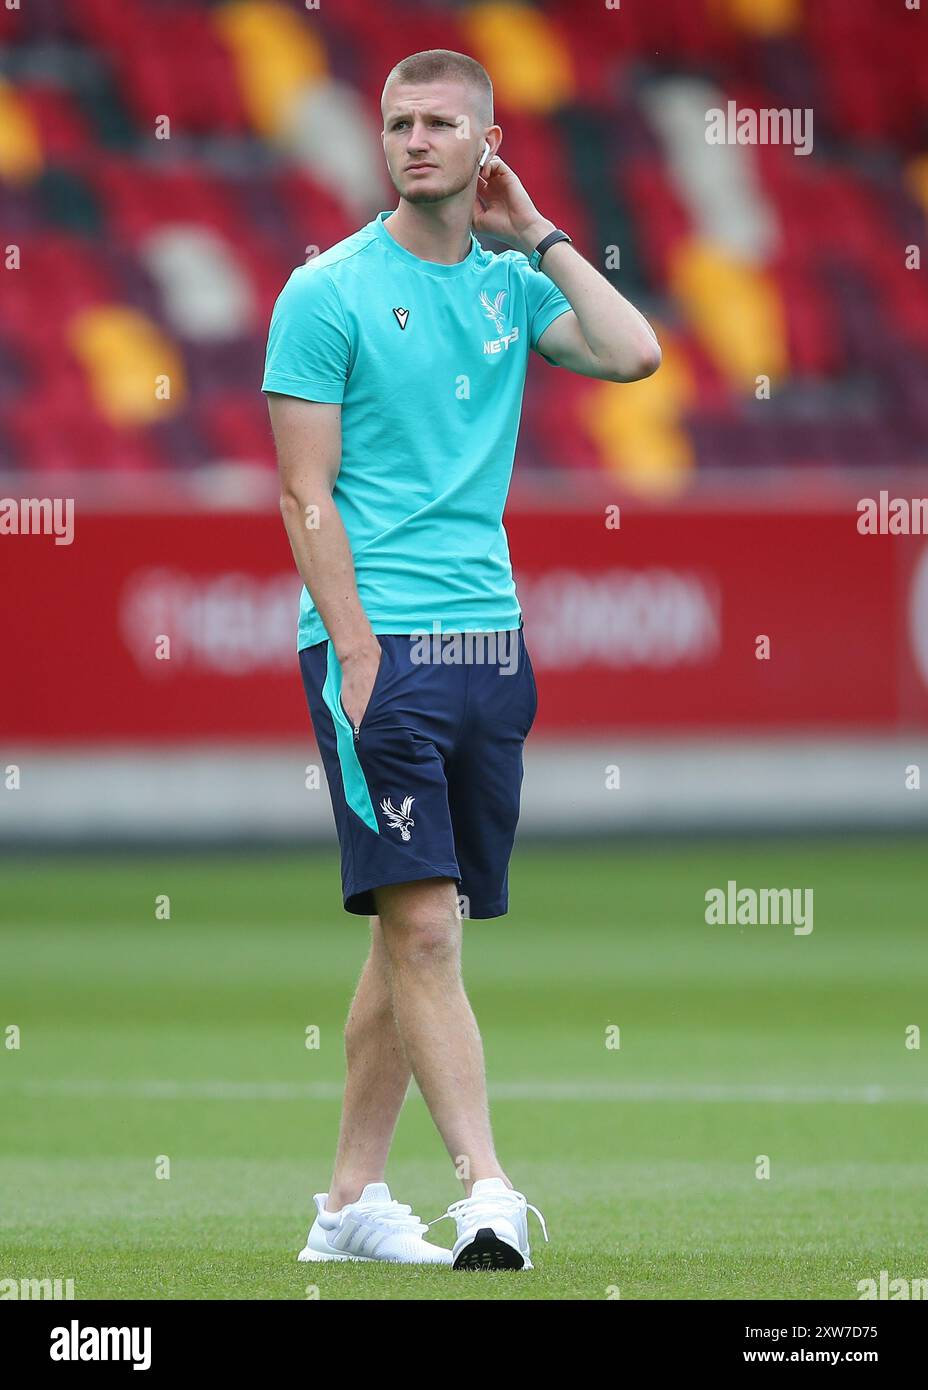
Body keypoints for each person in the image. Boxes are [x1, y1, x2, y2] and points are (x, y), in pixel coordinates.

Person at [262, 48, 660, 1271]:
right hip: (381, 647)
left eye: (442, 124)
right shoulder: (324, 291)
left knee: (417, 930)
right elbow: (303, 491)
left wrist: (536, 229)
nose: (414, 140)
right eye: (398, 122)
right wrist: (358, 648)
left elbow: (634, 352)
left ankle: (345, 1205)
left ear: (485, 143)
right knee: (425, 926)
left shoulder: (506, 286)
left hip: (493, 644)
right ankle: (486, 1188)